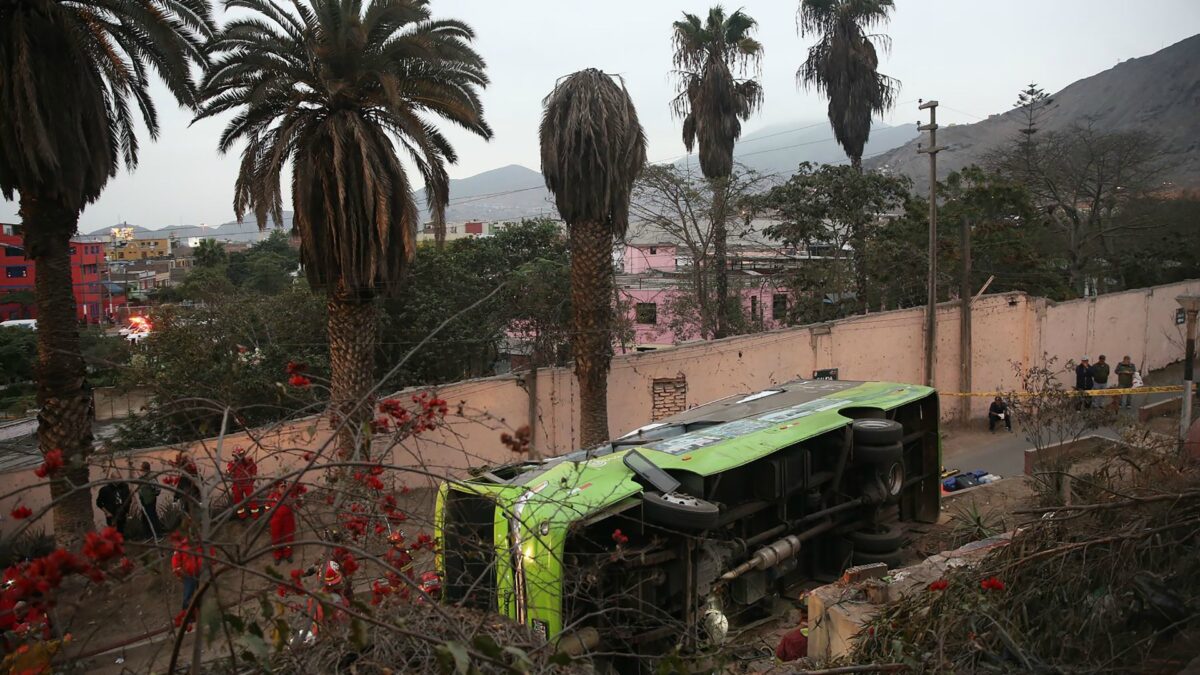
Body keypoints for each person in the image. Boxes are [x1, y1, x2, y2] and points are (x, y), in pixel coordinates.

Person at [171, 537, 202, 614]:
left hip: (198, 572)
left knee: (198, 593)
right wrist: (180, 573)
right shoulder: (181, 548)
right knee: (188, 594)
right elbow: (176, 563)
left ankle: (196, 612)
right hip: (188, 574)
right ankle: (186, 614)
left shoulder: (196, 544)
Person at [96, 469, 132, 535]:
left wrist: (127, 511)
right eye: (118, 478)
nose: (120, 480)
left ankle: (122, 543)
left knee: (121, 531)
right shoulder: (105, 490)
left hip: (122, 512)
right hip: (111, 514)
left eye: (120, 478)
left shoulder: (124, 486)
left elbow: (129, 499)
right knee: (113, 532)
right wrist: (107, 512)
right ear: (112, 479)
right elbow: (99, 503)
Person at [226, 447, 258, 520]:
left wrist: (252, 480)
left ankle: (255, 517)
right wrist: (230, 471)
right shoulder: (231, 464)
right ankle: (242, 517)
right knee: (238, 501)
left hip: (247, 484)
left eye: (240, 455)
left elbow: (254, 470)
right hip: (237, 485)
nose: (239, 457)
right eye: (236, 456)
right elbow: (228, 473)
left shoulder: (248, 461)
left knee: (252, 500)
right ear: (234, 456)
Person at [269, 486, 297, 564]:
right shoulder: (273, 495)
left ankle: (288, 554)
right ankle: (277, 555)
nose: (283, 489)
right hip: (276, 519)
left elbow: (297, 506)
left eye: (284, 487)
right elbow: (267, 506)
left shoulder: (289, 495)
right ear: (277, 488)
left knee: (289, 537)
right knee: (276, 538)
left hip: (288, 519)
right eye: (281, 487)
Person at [137, 461, 164, 539]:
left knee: (152, 517)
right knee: (145, 517)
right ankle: (149, 535)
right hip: (144, 500)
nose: (139, 470)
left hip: (150, 500)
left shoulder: (150, 477)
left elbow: (157, 488)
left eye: (141, 468)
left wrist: (152, 495)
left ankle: (159, 535)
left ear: (145, 469)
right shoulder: (142, 477)